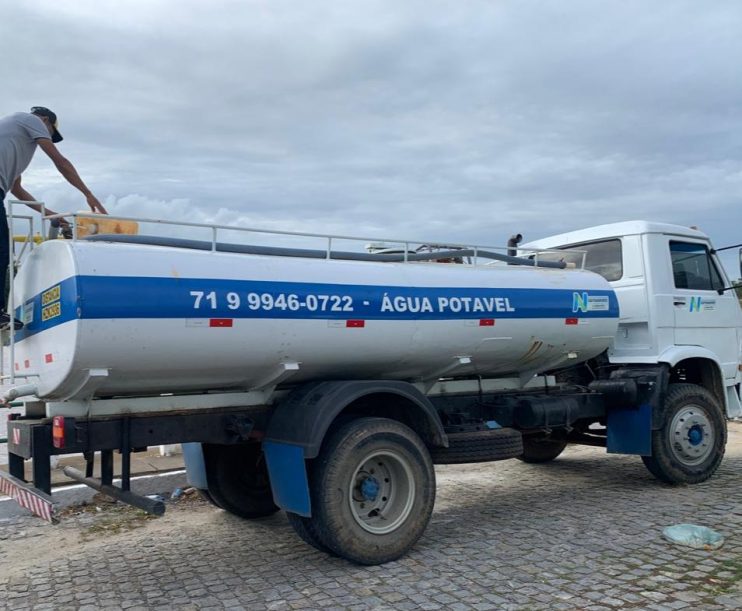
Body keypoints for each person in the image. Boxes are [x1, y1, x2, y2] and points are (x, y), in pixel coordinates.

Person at [0, 106, 107, 329]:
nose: (49, 138)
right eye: (51, 134)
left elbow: (17, 189)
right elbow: (60, 162)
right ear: (46, 121)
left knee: (3, 251)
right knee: (1, 251)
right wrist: (88, 193)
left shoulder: (15, 142)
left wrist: (53, 215)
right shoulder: (30, 120)